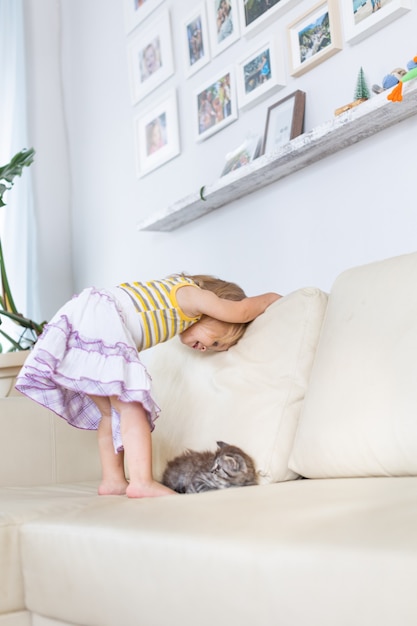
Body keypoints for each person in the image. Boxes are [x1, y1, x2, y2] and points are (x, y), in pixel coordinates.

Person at [16, 274, 281, 499]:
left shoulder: (172, 297)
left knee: (110, 414)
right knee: (133, 408)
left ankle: (113, 480)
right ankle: (141, 481)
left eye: (217, 348)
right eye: (216, 340)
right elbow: (242, 310)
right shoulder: (193, 296)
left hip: (83, 318)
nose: (208, 349)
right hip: (101, 318)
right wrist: (272, 299)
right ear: (215, 307)